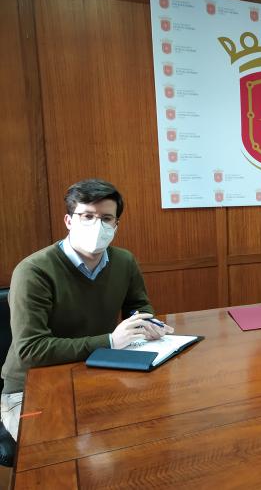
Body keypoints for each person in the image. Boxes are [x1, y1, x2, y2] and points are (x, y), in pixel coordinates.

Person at [0, 179, 174, 449]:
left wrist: (146, 322)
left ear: (116, 225)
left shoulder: (124, 261)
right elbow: (31, 349)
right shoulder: (34, 271)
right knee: (63, 454)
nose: (97, 225)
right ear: (69, 220)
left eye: (106, 218)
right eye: (87, 216)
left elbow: (138, 305)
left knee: (144, 436)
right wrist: (110, 342)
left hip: (96, 373)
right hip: (31, 388)